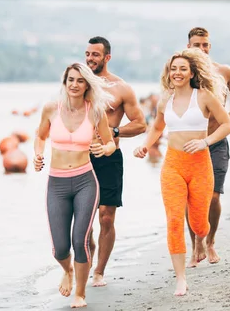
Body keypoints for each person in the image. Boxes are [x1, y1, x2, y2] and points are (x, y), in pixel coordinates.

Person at [133, 49, 230, 296]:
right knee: (175, 220)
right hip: (173, 165)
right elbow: (157, 126)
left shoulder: (205, 97)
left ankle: (202, 240)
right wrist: (145, 144)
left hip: (200, 164)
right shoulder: (164, 100)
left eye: (182, 69)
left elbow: (227, 124)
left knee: (200, 224)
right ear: (168, 73)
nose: (177, 73)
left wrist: (206, 142)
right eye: (173, 69)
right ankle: (181, 278)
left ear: (191, 73)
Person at [33, 63, 116, 308]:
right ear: (64, 82)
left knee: (79, 240)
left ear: (87, 85)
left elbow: (110, 142)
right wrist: (38, 155)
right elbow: (40, 136)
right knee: (59, 248)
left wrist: (103, 148)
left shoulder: (95, 111)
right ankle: (67, 270)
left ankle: (80, 293)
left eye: (80, 81)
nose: (74, 85)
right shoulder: (51, 109)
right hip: (56, 184)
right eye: (70, 80)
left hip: (85, 182)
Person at [84, 36, 147, 287]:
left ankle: (99, 271)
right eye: (87, 54)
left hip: (109, 158)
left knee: (106, 217)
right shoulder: (77, 84)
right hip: (80, 158)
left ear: (107, 57)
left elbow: (141, 123)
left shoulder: (121, 88)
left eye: (95, 55)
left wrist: (115, 132)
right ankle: (84, 259)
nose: (90, 59)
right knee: (84, 221)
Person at [185, 27, 230, 266]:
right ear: (188, 47)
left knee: (212, 197)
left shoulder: (223, 72)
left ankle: (210, 241)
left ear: (209, 47)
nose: (201, 49)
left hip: (216, 142)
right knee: (190, 199)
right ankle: (195, 245)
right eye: (196, 45)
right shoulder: (181, 73)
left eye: (205, 45)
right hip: (188, 144)